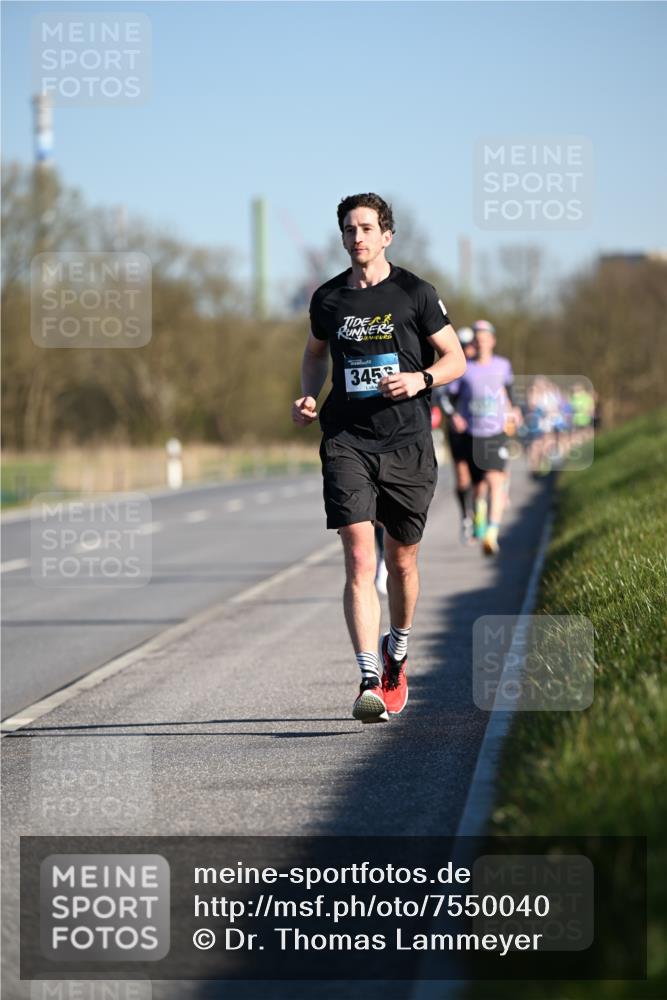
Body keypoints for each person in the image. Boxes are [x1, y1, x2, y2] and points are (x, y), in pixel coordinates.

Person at [292, 193, 466, 723]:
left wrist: (421, 378)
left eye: (366, 228)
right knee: (359, 559)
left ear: (386, 235)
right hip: (347, 438)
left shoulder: (415, 292)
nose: (357, 237)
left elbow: (454, 356)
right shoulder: (327, 299)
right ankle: (370, 677)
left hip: (408, 441)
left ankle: (398, 651)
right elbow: (315, 353)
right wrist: (308, 395)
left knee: (402, 560)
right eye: (349, 230)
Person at [448, 320, 517, 556]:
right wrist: (455, 415)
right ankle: (478, 511)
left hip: (496, 431)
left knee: (495, 481)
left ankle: (491, 532)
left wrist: (515, 410)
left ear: (493, 341)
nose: (481, 341)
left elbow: (511, 391)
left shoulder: (503, 365)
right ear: (474, 342)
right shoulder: (464, 368)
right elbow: (452, 398)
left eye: (485, 337)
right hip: (471, 433)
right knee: (478, 487)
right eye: (477, 338)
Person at [436, 326, 477, 543]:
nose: (469, 349)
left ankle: (479, 513)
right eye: (464, 345)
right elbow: (442, 397)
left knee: (480, 478)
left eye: (471, 345)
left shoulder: (480, 368)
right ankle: (465, 517)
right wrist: (453, 416)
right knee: (462, 476)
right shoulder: (452, 366)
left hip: (479, 429)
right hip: (458, 429)